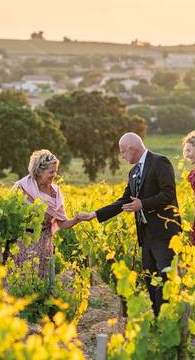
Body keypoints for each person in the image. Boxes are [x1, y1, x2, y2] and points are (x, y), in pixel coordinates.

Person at [78, 133, 181, 316]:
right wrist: (94, 214)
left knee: (166, 280)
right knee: (150, 279)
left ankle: (169, 322)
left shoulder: (160, 162)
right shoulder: (133, 173)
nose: (122, 156)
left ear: (132, 149)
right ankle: (159, 320)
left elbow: (168, 194)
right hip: (146, 235)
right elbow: (123, 201)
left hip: (164, 233)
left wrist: (143, 203)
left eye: (123, 152)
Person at [12, 149, 82, 280]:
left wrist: (77, 219)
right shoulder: (21, 188)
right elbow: (11, 218)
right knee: (22, 282)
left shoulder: (55, 193)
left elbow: (63, 223)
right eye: (51, 172)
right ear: (39, 171)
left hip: (45, 243)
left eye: (55, 171)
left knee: (43, 283)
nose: (54, 175)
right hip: (22, 243)